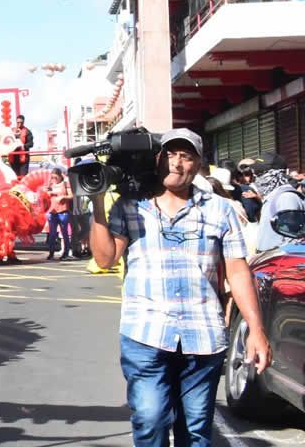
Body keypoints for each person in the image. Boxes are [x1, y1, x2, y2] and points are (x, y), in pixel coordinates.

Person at [89, 128, 270, 447]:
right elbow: (105, 258)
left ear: (198, 164)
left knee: (195, 430)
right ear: (158, 159)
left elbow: (238, 271)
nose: (176, 163)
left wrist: (256, 330)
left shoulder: (220, 209)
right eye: (170, 154)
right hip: (145, 333)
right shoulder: (131, 206)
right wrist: (97, 200)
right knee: (150, 419)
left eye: (186, 156)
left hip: (202, 335)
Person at [251, 153, 304, 254]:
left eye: (260, 173)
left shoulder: (286, 197)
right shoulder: (274, 196)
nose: (256, 178)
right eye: (256, 173)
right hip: (267, 257)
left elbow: (293, 239)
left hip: (280, 259)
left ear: (277, 173)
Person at [44, 169, 73, 260]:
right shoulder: (50, 184)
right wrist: (47, 192)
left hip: (63, 211)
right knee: (52, 234)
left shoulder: (65, 184)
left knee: (64, 233)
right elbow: (45, 195)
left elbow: (71, 195)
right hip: (52, 212)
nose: (54, 179)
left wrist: (63, 197)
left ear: (60, 176)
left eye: (55, 177)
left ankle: (65, 253)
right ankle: (51, 252)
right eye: (52, 177)